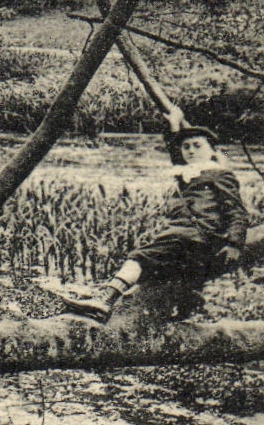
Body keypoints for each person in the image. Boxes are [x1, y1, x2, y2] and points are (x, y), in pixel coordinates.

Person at [62, 118, 248, 324]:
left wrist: (234, 243)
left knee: (139, 257)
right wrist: (174, 125)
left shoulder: (220, 174)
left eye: (198, 146)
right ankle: (185, 304)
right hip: (183, 236)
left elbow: (237, 210)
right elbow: (175, 154)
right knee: (156, 270)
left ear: (213, 151)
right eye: (186, 147)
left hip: (197, 236)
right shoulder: (188, 173)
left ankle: (105, 299)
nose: (191, 151)